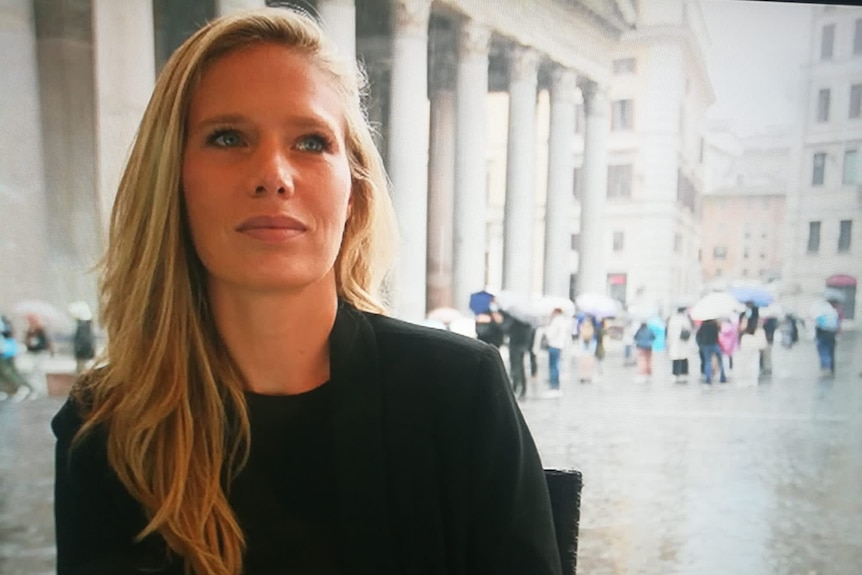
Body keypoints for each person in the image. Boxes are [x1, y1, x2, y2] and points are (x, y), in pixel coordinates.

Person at [50, 9, 560, 575]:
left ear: (354, 194)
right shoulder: (106, 425)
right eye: (228, 137)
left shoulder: (459, 393)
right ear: (171, 180)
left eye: (311, 143)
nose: (273, 174)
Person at [543, 307, 570, 393]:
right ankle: (556, 385)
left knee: (553, 366)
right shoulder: (564, 321)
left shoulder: (556, 321)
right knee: (556, 366)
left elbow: (549, 334)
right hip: (560, 345)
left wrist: (547, 326)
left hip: (553, 345)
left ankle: (553, 386)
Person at [814, 299, 841, 378]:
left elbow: (820, 324)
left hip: (823, 334)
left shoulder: (822, 312)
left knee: (823, 352)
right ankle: (830, 368)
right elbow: (837, 324)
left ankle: (825, 368)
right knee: (830, 352)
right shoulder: (834, 312)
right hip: (832, 335)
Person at [695, 318, 727, 385]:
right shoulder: (715, 325)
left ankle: (708, 378)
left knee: (707, 361)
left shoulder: (703, 326)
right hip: (715, 344)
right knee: (720, 360)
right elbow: (719, 332)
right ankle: (722, 376)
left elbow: (698, 335)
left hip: (706, 346)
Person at [666, 306, 693, 383]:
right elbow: (689, 329)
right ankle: (683, 373)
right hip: (682, 342)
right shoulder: (684, 319)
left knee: (676, 358)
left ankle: (675, 373)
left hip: (675, 341)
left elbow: (669, 332)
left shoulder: (673, 319)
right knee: (683, 357)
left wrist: (669, 341)